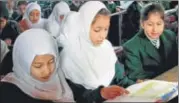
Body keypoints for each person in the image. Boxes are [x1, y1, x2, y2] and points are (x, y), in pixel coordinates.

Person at [59, 1, 136, 103]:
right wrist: (100, 93)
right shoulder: (70, 57)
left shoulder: (106, 48)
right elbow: (77, 96)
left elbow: (120, 79)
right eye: (97, 30)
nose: (102, 36)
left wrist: (135, 84)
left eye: (106, 29)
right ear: (84, 27)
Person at [0, 29, 74, 103]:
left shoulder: (60, 78)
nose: (47, 71)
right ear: (24, 65)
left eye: (51, 62)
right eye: (38, 66)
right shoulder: (9, 92)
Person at [123, 3, 178, 82]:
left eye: (159, 24)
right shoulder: (131, 47)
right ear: (142, 24)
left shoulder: (170, 36)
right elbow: (136, 76)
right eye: (150, 24)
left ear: (164, 23)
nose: (155, 29)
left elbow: (175, 64)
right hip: (151, 86)